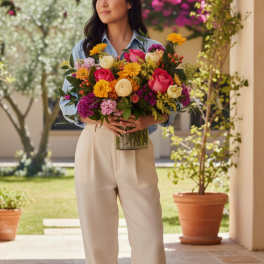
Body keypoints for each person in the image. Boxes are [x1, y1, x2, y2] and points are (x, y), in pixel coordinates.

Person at [59, 0, 175, 263]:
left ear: (130, 3)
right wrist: (97, 118)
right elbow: (67, 102)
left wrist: (146, 120)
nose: (103, 3)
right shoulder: (85, 49)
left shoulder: (152, 50)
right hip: (94, 146)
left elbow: (171, 104)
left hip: (136, 145)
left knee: (151, 240)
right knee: (97, 243)